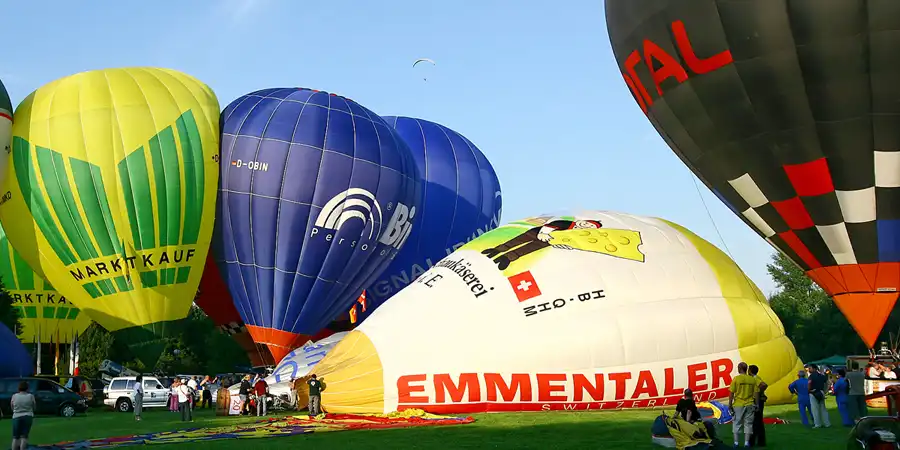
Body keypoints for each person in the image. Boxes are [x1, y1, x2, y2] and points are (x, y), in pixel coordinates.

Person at [728, 362, 758, 449]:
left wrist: (730, 404)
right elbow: (756, 393)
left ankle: (736, 443)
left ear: (739, 368)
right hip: (750, 403)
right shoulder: (752, 379)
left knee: (736, 423)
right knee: (748, 424)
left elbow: (731, 392)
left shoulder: (736, 379)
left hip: (738, 404)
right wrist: (757, 404)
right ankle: (746, 443)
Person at [10, 381, 35, 450]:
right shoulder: (30, 396)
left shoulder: (14, 396)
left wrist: (16, 411)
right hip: (28, 416)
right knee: (24, 436)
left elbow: (12, 406)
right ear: (27, 388)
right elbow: (34, 406)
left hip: (16, 416)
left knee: (15, 437)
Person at [748, 365, 768, 447]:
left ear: (750, 371)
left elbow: (763, 385)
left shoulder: (754, 379)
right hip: (759, 401)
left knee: (755, 421)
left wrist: (759, 393)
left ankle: (752, 441)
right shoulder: (757, 377)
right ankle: (760, 441)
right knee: (758, 422)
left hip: (756, 401)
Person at [808, 364, 832, 428]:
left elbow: (809, 383)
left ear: (814, 368)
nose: (809, 370)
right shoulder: (822, 376)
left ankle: (817, 424)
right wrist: (825, 391)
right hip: (821, 392)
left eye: (810, 368)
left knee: (815, 409)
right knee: (823, 409)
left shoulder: (811, 376)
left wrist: (809, 390)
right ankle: (827, 423)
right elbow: (828, 382)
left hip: (813, 393)